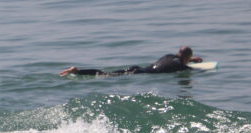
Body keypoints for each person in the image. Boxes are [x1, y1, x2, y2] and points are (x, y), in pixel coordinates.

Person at [60, 46, 203, 77]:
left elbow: (180, 60)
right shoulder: (182, 67)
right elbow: (187, 68)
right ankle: (78, 72)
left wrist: (191, 59)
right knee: (106, 76)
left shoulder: (169, 55)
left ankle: (78, 71)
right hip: (140, 73)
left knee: (106, 73)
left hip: (138, 68)